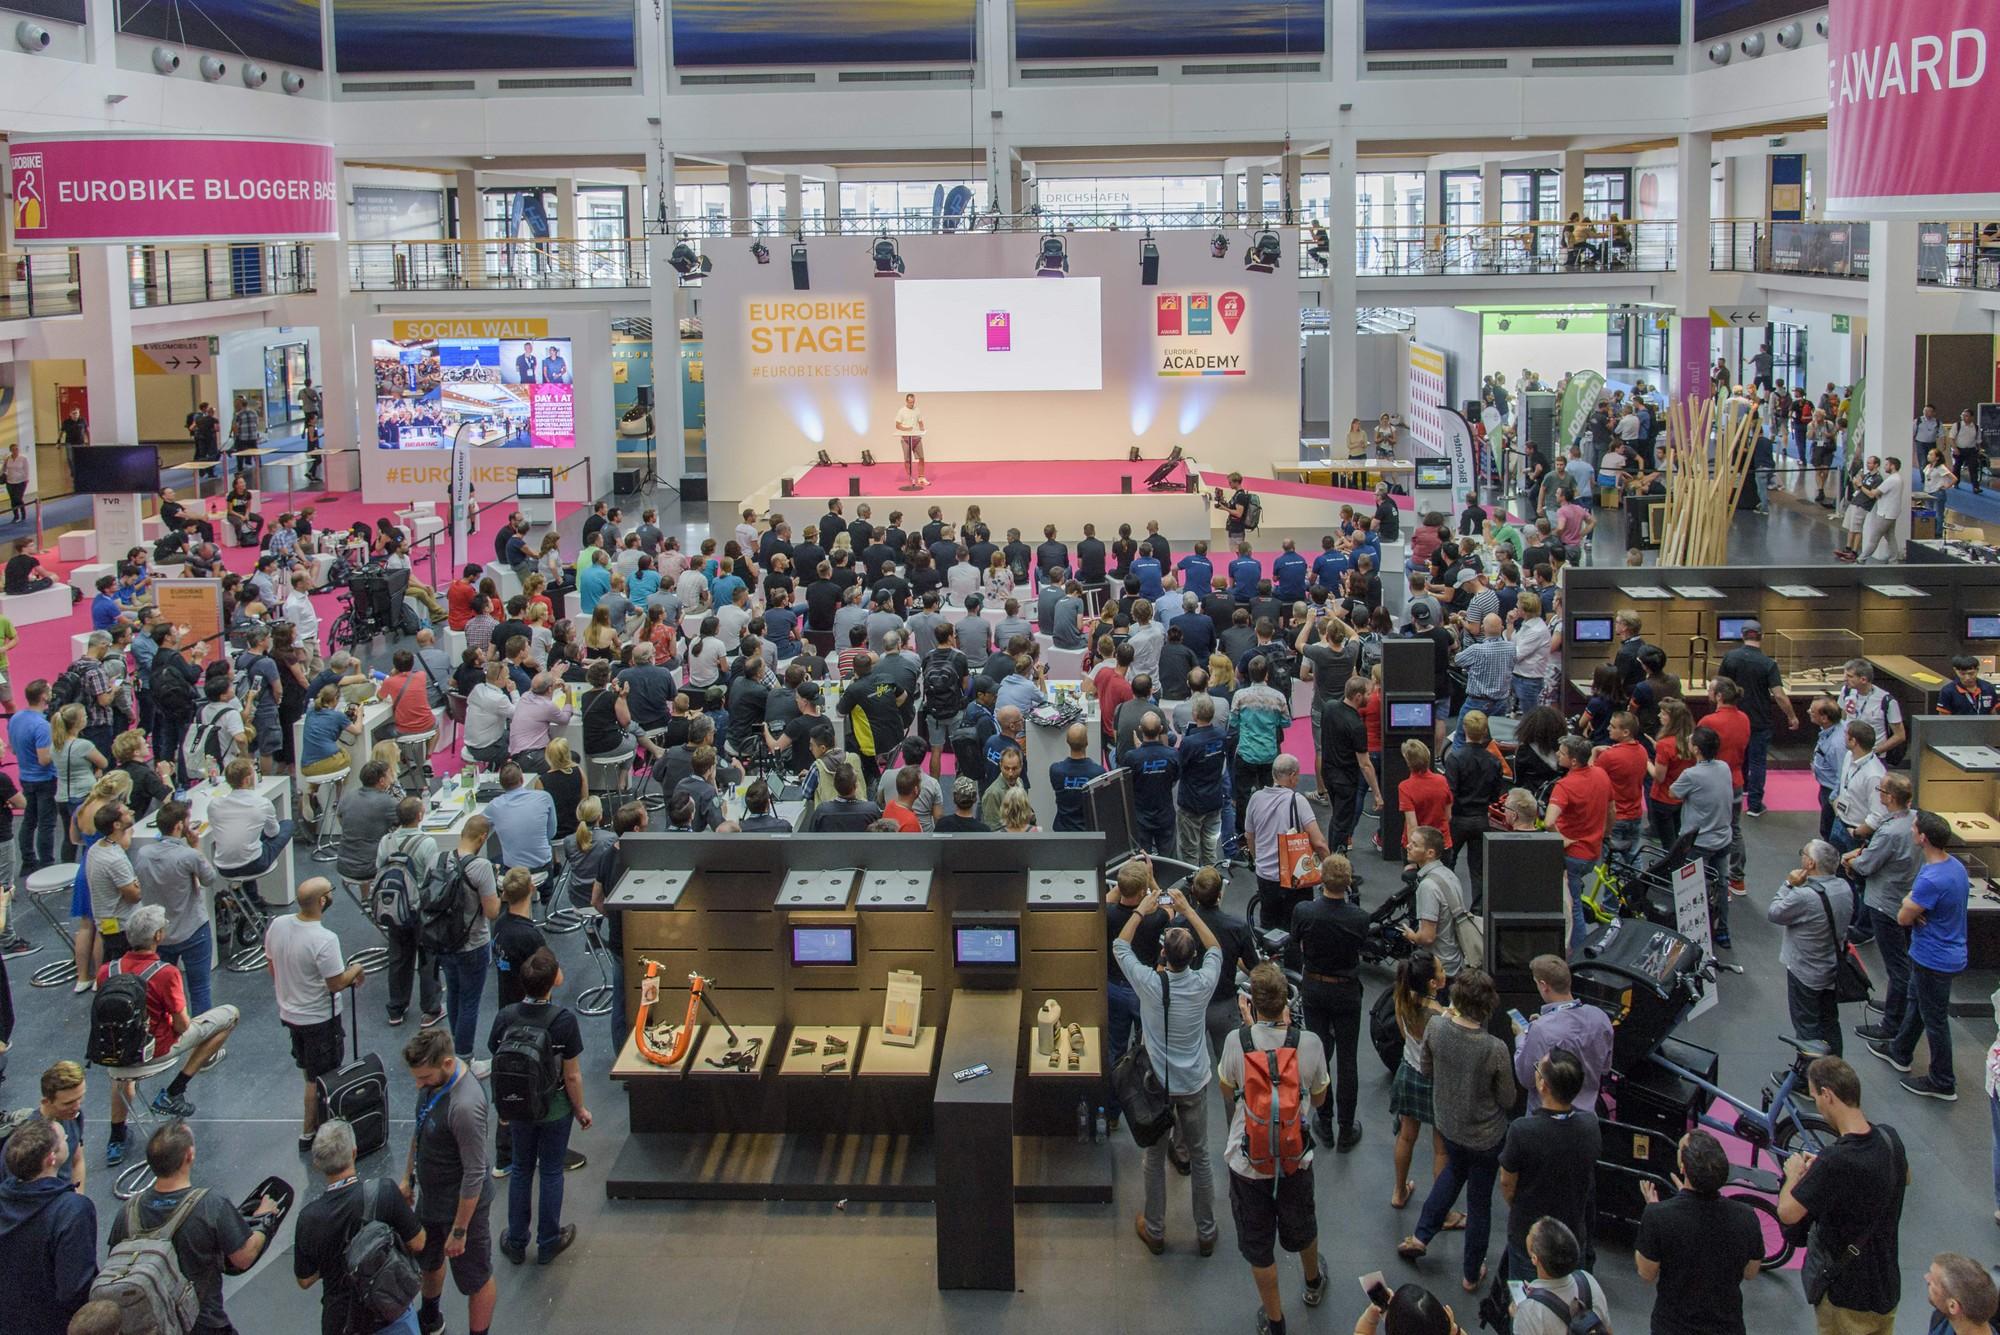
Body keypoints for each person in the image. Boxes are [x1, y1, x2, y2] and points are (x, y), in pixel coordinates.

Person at [1217, 960, 1330, 1335]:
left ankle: (1276, 1321)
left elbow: (1227, 1090)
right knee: (1303, 1225)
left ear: (1251, 1002)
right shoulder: (1309, 1043)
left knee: (1259, 1245)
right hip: (1295, 1157)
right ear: (1286, 1002)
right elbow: (1319, 1099)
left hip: (1248, 1162)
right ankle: (1312, 1282)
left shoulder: (1237, 1041)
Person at [1116, 864, 1223, 1259]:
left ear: (1163, 955)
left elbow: (1120, 947)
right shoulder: (1204, 982)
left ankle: (1156, 1229)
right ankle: (1206, 1232)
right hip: (1193, 1083)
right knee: (1201, 1156)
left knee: (1153, 1158)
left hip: (1156, 1085)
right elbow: (1216, 947)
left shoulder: (1149, 984)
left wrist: (1141, 910)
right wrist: (1188, 909)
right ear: (1192, 958)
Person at [1398, 968, 1515, 1293]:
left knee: (1451, 1173)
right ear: (1488, 1006)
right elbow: (1508, 1098)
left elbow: (1426, 1069)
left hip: (1449, 1125)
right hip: (1486, 1137)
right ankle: (1471, 1273)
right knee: (1479, 1202)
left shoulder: (1436, 1028)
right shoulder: (1495, 1048)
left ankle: (1420, 1236)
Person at [106, 1122, 279, 1335]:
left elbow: (115, 1265)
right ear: (189, 1155)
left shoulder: (127, 1211)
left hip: (150, 1325)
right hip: (202, 1323)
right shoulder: (211, 1205)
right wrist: (265, 1219)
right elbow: (243, 1257)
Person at [1779, 1055, 1908, 1335]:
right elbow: (1904, 1177)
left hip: (1847, 1295)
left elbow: (1788, 1212)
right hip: (1886, 1287)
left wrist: (1793, 1175)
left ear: (1827, 1095)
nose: (1817, 1103)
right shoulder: (1889, 1138)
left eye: (1815, 1096)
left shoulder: (1835, 1161)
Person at [487, 948, 590, 1266]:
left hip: (518, 1106)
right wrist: (580, 1109)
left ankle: (516, 1240)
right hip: (555, 1106)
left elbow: (496, 1056)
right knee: (551, 1170)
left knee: (521, 1168)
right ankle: (548, 1240)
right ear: (553, 981)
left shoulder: (506, 1016)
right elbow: (571, 1075)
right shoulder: (563, 1021)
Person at [400, 1027, 498, 1335]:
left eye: (424, 1077)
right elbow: (419, 1129)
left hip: (462, 1208)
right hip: (431, 1199)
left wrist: (459, 1230)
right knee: (428, 1260)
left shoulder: (465, 1107)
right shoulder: (434, 1083)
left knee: (476, 1279)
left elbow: (474, 1173)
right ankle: (430, 1317)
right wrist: (408, 1177)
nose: (419, 1085)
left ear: (446, 1063)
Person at [294, 1119, 428, 1335]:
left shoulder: (308, 1218)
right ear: (354, 1153)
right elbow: (419, 1242)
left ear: (317, 1164)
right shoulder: (384, 1192)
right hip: (388, 1311)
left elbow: (305, 1279)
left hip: (341, 1321)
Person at [266, 876, 366, 1151]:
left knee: (309, 1070)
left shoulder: (278, 924)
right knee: (319, 1078)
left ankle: (316, 1124)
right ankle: (313, 1132)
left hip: (291, 1013)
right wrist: (356, 969)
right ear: (323, 901)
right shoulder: (325, 939)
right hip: (319, 1019)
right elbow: (336, 983)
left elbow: (271, 964)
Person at [1634, 1128, 1764, 1334]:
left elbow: (1646, 1272)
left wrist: (1655, 1213)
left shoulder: (1658, 1216)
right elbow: (1750, 1272)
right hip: (1726, 1327)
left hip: (1674, 1327)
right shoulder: (1746, 1216)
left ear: (1683, 1167)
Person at [1877, 810, 1969, 1100]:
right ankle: (1900, 1050)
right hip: (1941, 953)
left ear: (1923, 838)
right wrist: (1915, 907)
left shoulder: (1931, 878)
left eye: (1914, 829)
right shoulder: (1955, 867)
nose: (1911, 831)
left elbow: (1903, 917)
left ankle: (1943, 1081)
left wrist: (1911, 905)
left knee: (1935, 1019)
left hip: (1934, 958)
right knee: (1917, 1002)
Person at [1497, 1048, 1600, 1284]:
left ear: (1543, 1085)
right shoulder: (1590, 1126)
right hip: (1572, 1234)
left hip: (1530, 1235)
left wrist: (1521, 1206)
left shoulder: (1522, 1131)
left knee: (1526, 1297)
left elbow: (1507, 1184)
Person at [1290, 853, 1367, 1151]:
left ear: (1321, 878)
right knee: (1348, 1060)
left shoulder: (1304, 911)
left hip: (1315, 989)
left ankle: (1324, 1121)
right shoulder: (1358, 918)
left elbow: (1294, 942)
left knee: (1319, 1055)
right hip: (1346, 991)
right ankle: (1346, 1129)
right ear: (1347, 883)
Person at [0, 1119, 99, 1335]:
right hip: (53, 1323)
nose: (68, 1140)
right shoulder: (72, 1210)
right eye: (64, 1139)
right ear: (51, 1158)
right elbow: (75, 1289)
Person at [1769, 839, 1856, 1056]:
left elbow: (1775, 913)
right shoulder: (1844, 887)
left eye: (1804, 853)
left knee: (1806, 1026)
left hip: (1805, 970)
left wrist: (1788, 884)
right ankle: (1835, 1066)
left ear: (1810, 863)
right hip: (1832, 968)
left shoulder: (1804, 896)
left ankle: (1810, 1072)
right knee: (1829, 1021)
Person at [1510, 956, 1613, 1114]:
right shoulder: (1600, 1017)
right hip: (1587, 1118)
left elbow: (1526, 1078)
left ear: (1544, 985)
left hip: (1547, 1120)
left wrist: (1521, 1037)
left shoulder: (1540, 1029)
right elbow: (1605, 1068)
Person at [436, 816, 503, 1057]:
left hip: (443, 940)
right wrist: (500, 893)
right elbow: (492, 912)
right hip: (473, 943)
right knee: (470, 1001)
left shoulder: (439, 859)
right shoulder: (481, 867)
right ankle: (465, 1056)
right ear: (483, 838)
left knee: (453, 993)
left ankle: (456, 1047)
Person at [1715, 619, 1797, 816]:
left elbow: (1719, 685)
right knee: (1758, 761)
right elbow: (1779, 695)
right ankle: (1754, 804)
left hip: (1734, 716)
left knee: (1736, 755)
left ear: (1742, 635)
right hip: (1759, 718)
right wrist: (1792, 716)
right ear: (1763, 636)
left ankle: (1739, 788)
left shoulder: (1730, 658)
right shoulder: (1768, 663)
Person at [1387, 951, 1447, 1214]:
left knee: (1406, 1135)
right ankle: (1441, 1211)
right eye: (1441, 970)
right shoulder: (1440, 1018)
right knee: (1441, 1150)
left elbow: (1405, 1035)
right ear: (1433, 983)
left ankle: (1399, 1191)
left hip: (1409, 1072)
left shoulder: (1402, 999)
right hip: (1435, 1082)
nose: (1444, 973)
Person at [1243, 754, 1326, 932]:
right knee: (1297, 927)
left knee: (1268, 927)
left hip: (1265, 876)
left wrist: (1258, 860)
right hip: (1294, 876)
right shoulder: (1298, 801)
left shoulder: (1256, 798)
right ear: (1292, 775)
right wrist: (1329, 866)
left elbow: (1249, 836)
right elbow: (1319, 842)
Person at [1544, 736, 1611, 944]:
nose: (1557, 754)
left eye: (1561, 752)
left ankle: (1578, 951)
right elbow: (1612, 810)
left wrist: (1561, 838)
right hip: (1593, 852)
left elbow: (1548, 821)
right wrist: (1605, 834)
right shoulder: (1601, 774)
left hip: (1572, 855)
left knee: (1573, 909)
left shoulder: (1565, 786)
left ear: (1573, 761)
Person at [1511, 1218, 1609, 1335]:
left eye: (1530, 1233)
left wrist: (1518, 1315)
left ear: (1535, 1259)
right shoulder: (1588, 1282)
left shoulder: (1528, 1312)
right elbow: (1607, 1330)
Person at [1402, 827, 1468, 981]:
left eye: (1415, 844)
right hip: (1454, 961)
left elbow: (1427, 937)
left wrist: (1411, 935)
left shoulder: (1428, 886)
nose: (1408, 846)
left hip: (1438, 966)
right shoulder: (1449, 874)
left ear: (1430, 853)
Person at [1924, 1254, 1999, 1335]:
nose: (1926, 1277)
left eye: (1933, 1281)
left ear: (1952, 1306)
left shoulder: (1940, 1319)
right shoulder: (1940, 1318)